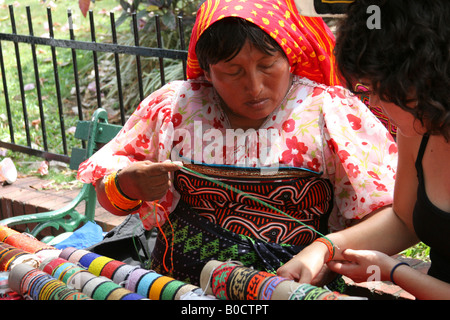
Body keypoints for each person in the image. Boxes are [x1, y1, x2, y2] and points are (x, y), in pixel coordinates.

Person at [77, 0, 397, 287]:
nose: (254, 86)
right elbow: (110, 198)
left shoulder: (330, 113)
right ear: (207, 71)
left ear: (290, 57)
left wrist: (325, 252)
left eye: (268, 65)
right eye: (232, 71)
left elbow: (390, 213)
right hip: (176, 284)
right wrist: (130, 183)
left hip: (291, 285)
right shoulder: (174, 108)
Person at [277, 0, 450, 300]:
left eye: (378, 89)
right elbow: (403, 220)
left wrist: (393, 271)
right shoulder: (418, 126)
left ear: (423, 76)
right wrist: (323, 248)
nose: (373, 104)